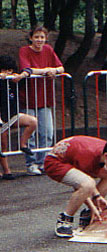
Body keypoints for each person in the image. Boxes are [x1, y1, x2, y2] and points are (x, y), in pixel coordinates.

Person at [44, 136, 107, 238]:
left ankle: (88, 214)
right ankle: (65, 219)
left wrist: (97, 198)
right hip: (55, 163)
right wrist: (92, 205)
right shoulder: (88, 155)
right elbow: (80, 185)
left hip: (73, 158)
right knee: (87, 184)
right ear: (106, 156)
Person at [18, 25, 64, 175]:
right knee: (30, 133)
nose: (39, 40)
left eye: (42, 37)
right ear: (31, 38)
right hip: (29, 97)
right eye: (36, 37)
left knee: (47, 132)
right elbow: (27, 69)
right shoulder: (24, 50)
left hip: (45, 97)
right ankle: (31, 164)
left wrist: (55, 70)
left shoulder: (49, 50)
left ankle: (43, 162)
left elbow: (60, 67)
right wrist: (46, 70)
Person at [0, 55, 37, 180]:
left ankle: (23, 144)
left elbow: (29, 70)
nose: (7, 73)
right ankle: (6, 171)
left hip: (13, 115)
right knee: (3, 144)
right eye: (4, 70)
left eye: (9, 70)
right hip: (1, 117)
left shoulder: (14, 80)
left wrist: (22, 75)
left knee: (32, 121)